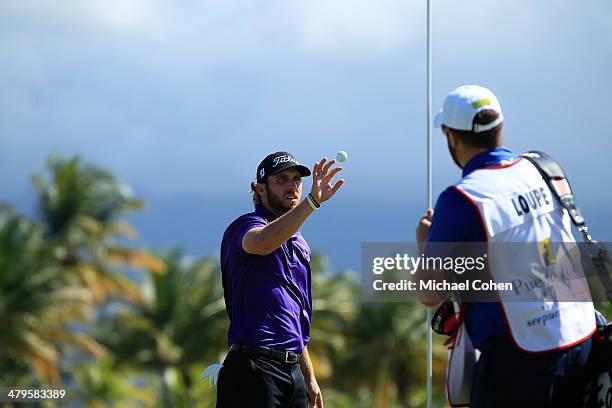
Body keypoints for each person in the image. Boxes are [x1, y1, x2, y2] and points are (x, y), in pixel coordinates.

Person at [415, 85, 596, 407]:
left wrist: (424, 245)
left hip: (520, 362)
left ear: (451, 136)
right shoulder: (543, 168)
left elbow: (430, 293)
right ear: (500, 126)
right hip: (581, 338)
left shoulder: (461, 199)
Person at [218, 151, 344, 408]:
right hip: (253, 368)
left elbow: (293, 315)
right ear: (260, 189)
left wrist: (308, 376)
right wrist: (312, 202)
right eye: (282, 179)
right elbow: (263, 242)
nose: (292, 185)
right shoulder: (245, 225)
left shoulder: (299, 242)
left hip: (292, 373)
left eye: (297, 179)